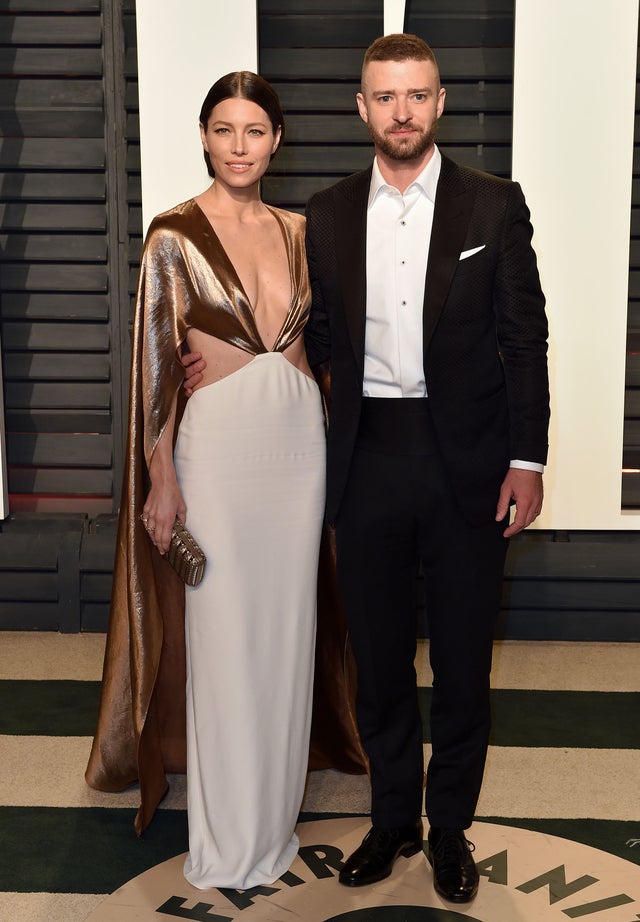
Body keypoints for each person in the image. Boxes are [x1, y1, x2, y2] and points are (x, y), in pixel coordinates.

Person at [183, 33, 550, 904]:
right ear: (361, 108)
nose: (402, 112)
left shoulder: (493, 207)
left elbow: (524, 340)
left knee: (463, 662)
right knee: (379, 659)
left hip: (469, 460)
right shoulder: (329, 211)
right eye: (384, 98)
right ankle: (393, 820)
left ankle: (452, 828)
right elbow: (309, 334)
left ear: (440, 102)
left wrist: (526, 459)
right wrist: (215, 358)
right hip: (363, 457)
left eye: (416, 95)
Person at [85, 71, 365, 891]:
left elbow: (315, 349)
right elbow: (157, 371)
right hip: (219, 447)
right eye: (223, 130)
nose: (239, 146)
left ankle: (272, 824)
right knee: (225, 638)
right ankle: (225, 837)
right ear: (204, 137)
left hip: (296, 445)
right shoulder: (172, 236)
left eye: (254, 131)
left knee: (285, 636)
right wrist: (161, 478)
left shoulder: (301, 230)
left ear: (277, 141)